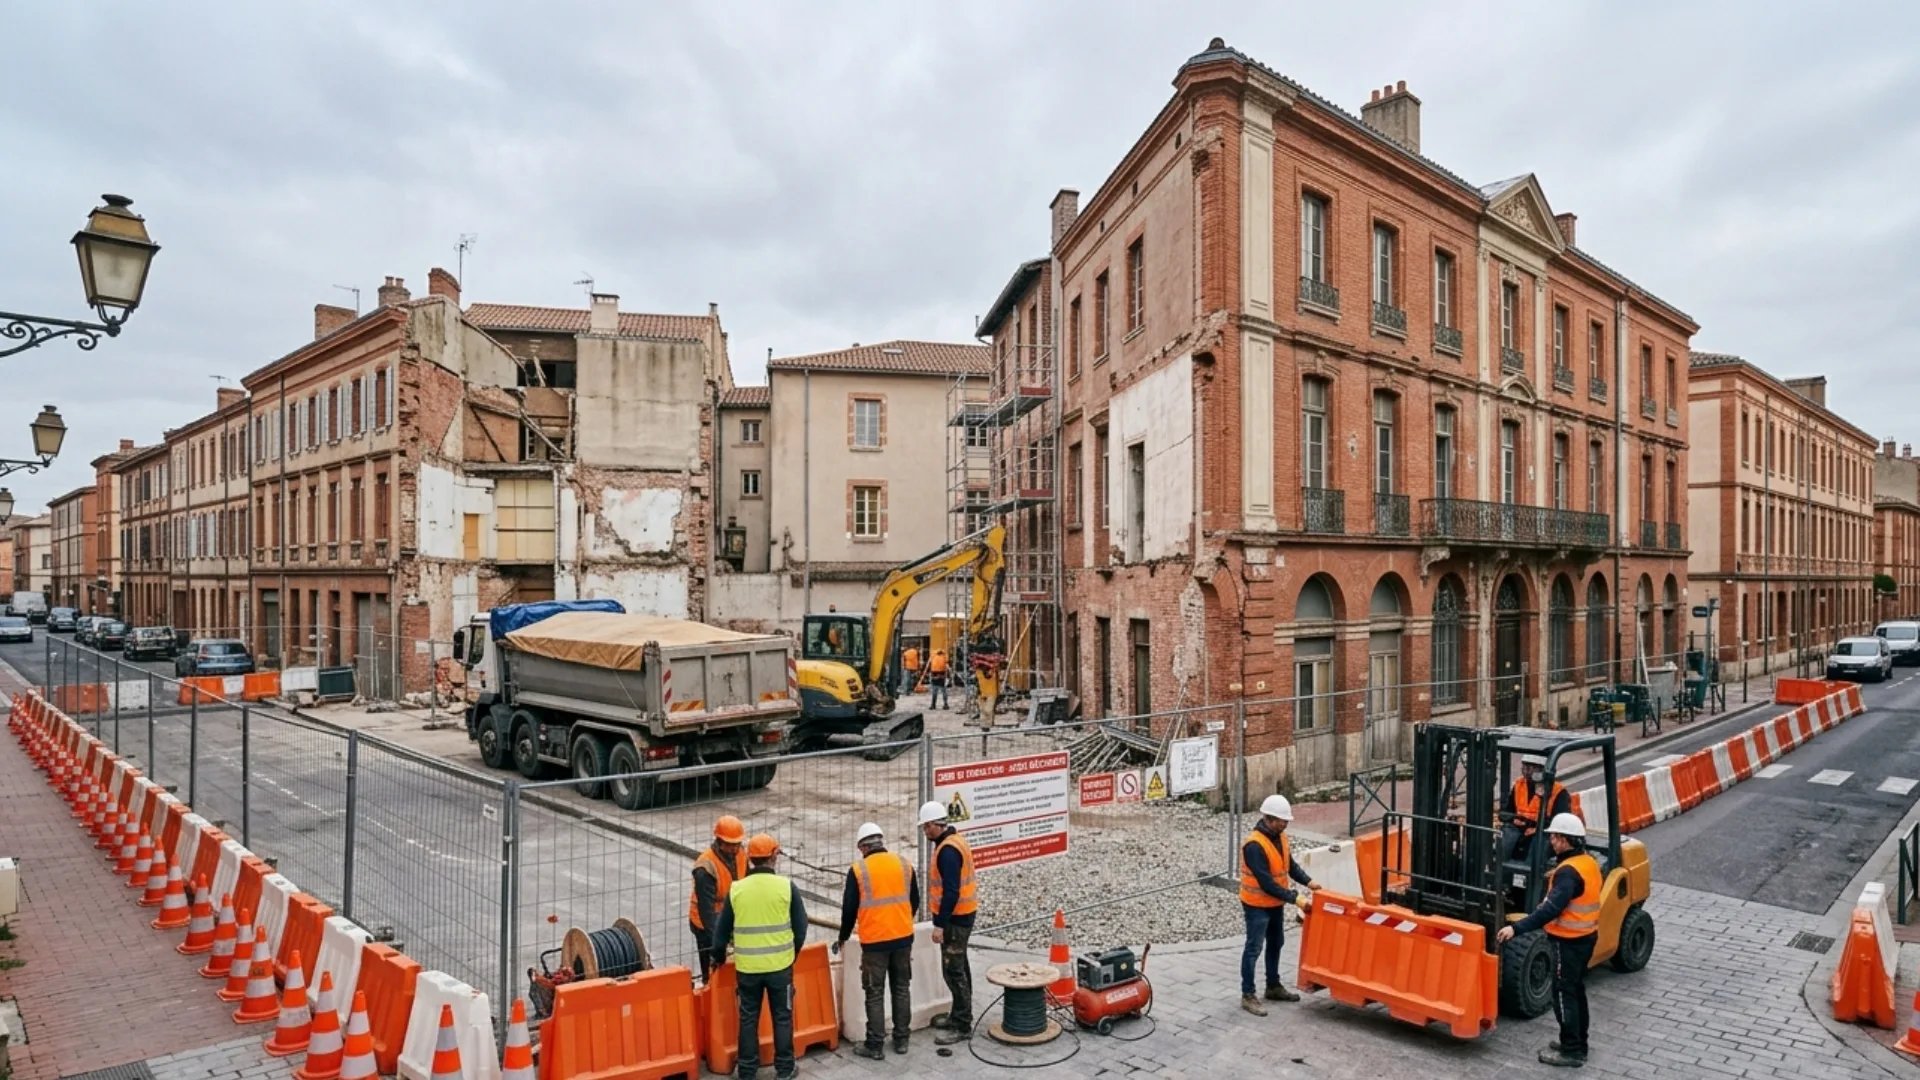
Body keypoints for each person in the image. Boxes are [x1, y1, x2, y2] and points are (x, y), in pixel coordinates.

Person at [1496, 813, 1601, 1068]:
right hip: (1584, 939)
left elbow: (1549, 910)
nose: (1551, 841)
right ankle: (1577, 1040)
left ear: (1567, 841)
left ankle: (1572, 1051)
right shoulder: (1586, 862)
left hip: (1569, 942)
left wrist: (1516, 929)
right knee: (1576, 991)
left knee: (1564, 994)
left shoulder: (1568, 873)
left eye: (1555, 837)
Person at [711, 834, 808, 1080]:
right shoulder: (787, 887)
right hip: (780, 968)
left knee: (748, 1019)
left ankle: (747, 1070)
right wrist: (791, 954)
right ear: (774, 856)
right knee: (782, 1017)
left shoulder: (737, 890)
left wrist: (718, 957)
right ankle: (785, 1070)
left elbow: (720, 934)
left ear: (750, 858)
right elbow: (801, 926)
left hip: (748, 969)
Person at [834, 821, 919, 1058]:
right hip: (903, 938)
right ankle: (902, 1041)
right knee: (901, 988)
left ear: (862, 847)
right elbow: (915, 900)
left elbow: (849, 910)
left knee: (874, 992)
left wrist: (843, 937)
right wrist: (901, 920)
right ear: (881, 841)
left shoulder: (858, 870)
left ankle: (875, 1045)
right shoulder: (904, 864)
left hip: (875, 943)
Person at [1238, 793, 1316, 1016]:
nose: (1286, 824)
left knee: (1276, 942)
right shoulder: (1254, 846)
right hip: (1256, 905)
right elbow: (1266, 883)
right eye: (1283, 820)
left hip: (1274, 903)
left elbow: (1289, 866)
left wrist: (1309, 882)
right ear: (1270, 819)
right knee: (1254, 948)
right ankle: (1248, 994)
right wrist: (1295, 898)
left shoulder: (1280, 838)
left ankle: (1273, 985)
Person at [919, 799, 974, 1044]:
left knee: (953, 970)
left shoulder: (948, 851)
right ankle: (960, 1014)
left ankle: (962, 1025)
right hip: (964, 913)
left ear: (935, 825)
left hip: (955, 918)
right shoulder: (953, 841)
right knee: (960, 965)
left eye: (926, 826)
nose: (924, 831)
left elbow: (951, 892)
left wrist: (940, 924)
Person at [689, 814, 749, 981]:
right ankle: (709, 984)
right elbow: (706, 912)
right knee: (712, 964)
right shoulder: (705, 867)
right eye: (730, 845)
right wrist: (719, 945)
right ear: (719, 842)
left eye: (737, 844)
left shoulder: (741, 854)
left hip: (730, 916)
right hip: (704, 923)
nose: (735, 849)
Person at [1499, 755, 1571, 865]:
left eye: (1531, 768)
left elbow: (1560, 821)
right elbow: (1510, 809)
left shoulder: (1558, 791)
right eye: (1525, 767)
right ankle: (1500, 869)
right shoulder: (1519, 784)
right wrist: (1508, 816)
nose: (1527, 771)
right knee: (1506, 835)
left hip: (1543, 831)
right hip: (1520, 828)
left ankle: (1530, 875)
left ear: (1543, 770)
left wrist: (1537, 823)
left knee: (1540, 843)